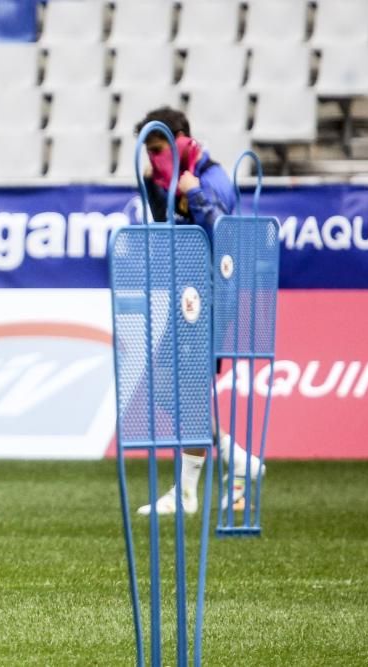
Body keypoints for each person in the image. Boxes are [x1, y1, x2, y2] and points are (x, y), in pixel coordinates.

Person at [132, 107, 264, 516]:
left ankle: (187, 492)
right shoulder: (159, 184)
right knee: (166, 388)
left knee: (187, 392)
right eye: (149, 152)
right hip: (183, 296)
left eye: (159, 149)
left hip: (209, 296)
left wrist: (195, 195)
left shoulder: (214, 179)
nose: (154, 159)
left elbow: (226, 238)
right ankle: (235, 457)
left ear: (182, 139)